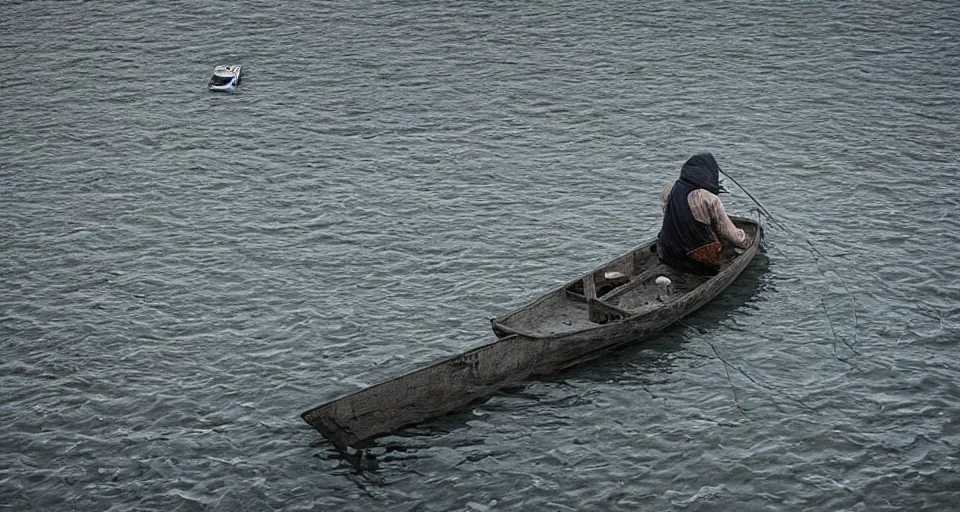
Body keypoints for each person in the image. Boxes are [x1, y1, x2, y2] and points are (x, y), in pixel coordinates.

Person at [657, 153, 749, 276]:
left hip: (666, 254)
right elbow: (729, 232)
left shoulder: (670, 189)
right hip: (697, 263)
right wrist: (745, 240)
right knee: (722, 245)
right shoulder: (708, 199)